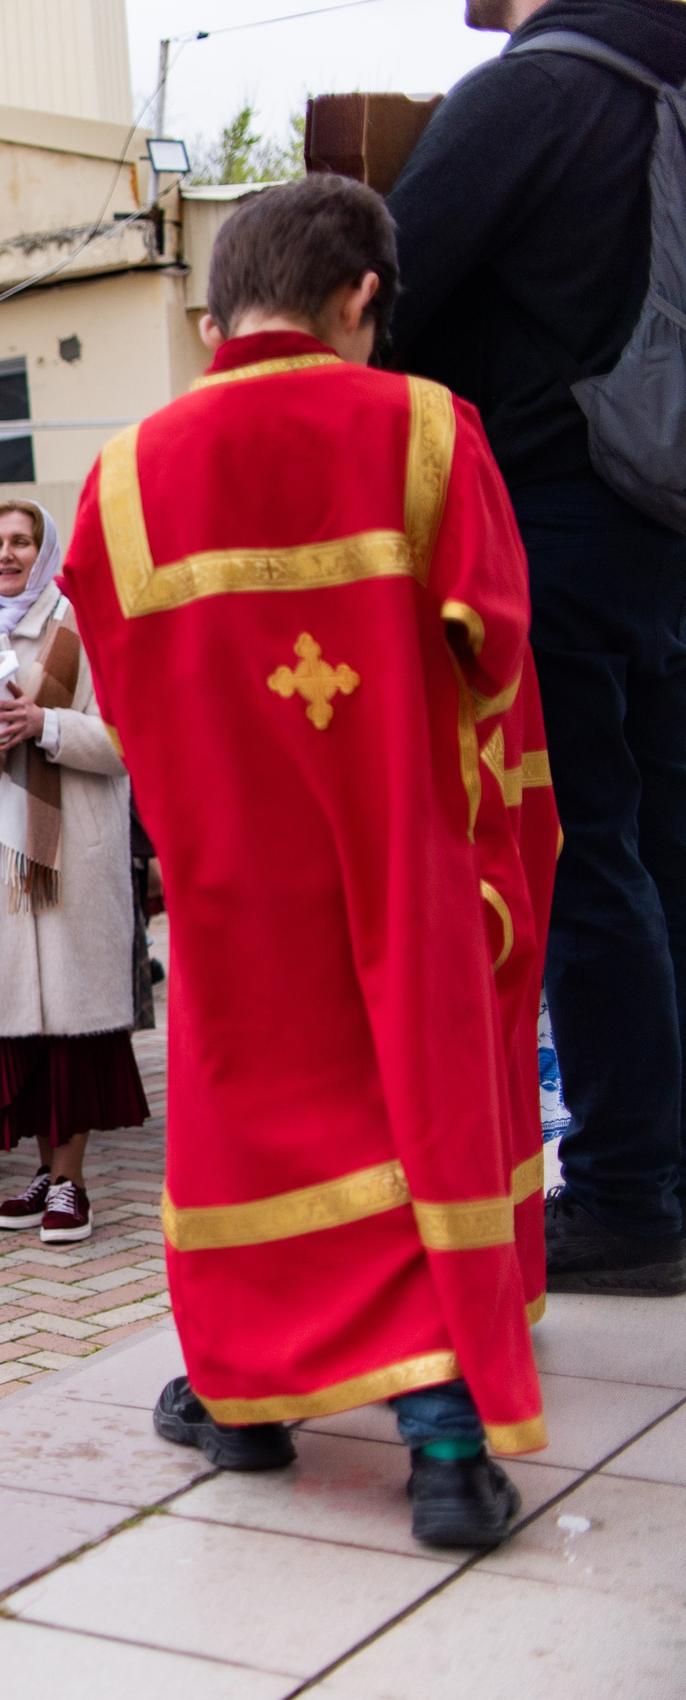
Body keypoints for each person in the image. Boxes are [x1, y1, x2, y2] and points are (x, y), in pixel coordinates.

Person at [62, 174, 552, 1546]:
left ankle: (247, 1402)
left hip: (228, 885)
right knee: (412, 1114)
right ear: (362, 298)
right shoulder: (426, 431)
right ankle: (447, 1447)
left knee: (245, 1124)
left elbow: (125, 695)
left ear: (223, 307)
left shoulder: (122, 478)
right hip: (399, 861)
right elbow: (501, 659)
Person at [388, 0, 686, 1297]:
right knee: (668, 852)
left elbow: (378, 293)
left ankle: (626, 1190)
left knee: (576, 851)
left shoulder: (536, 91)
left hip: (551, 511)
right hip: (668, 517)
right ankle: (665, 1169)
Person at [0, 501, 143, 1244]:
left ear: (46, 551)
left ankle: (71, 1179)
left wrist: (46, 725)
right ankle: (44, 1168)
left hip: (69, 854)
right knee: (22, 1028)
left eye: (23, 541)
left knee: (70, 1022)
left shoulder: (87, 627)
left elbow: (131, 735)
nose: (8, 554)